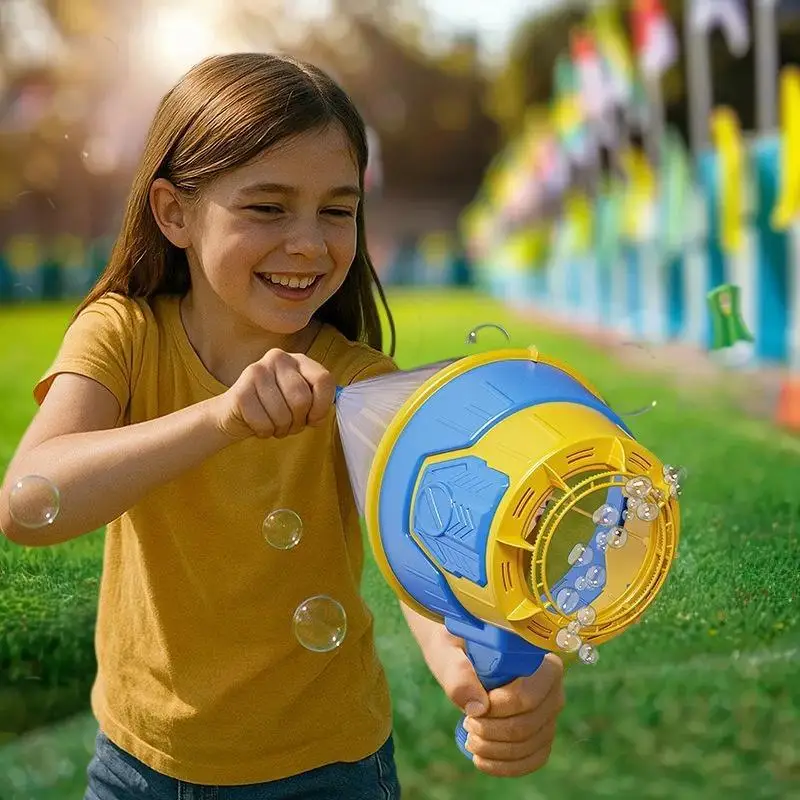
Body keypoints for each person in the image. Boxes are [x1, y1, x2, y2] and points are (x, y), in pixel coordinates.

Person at [0, 53, 565, 799]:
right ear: (173, 213)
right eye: (267, 208)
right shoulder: (123, 335)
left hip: (327, 769)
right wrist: (221, 417)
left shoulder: (360, 384)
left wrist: (482, 665)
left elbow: (425, 549)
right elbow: (29, 502)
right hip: (137, 767)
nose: (309, 243)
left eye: (337, 210)